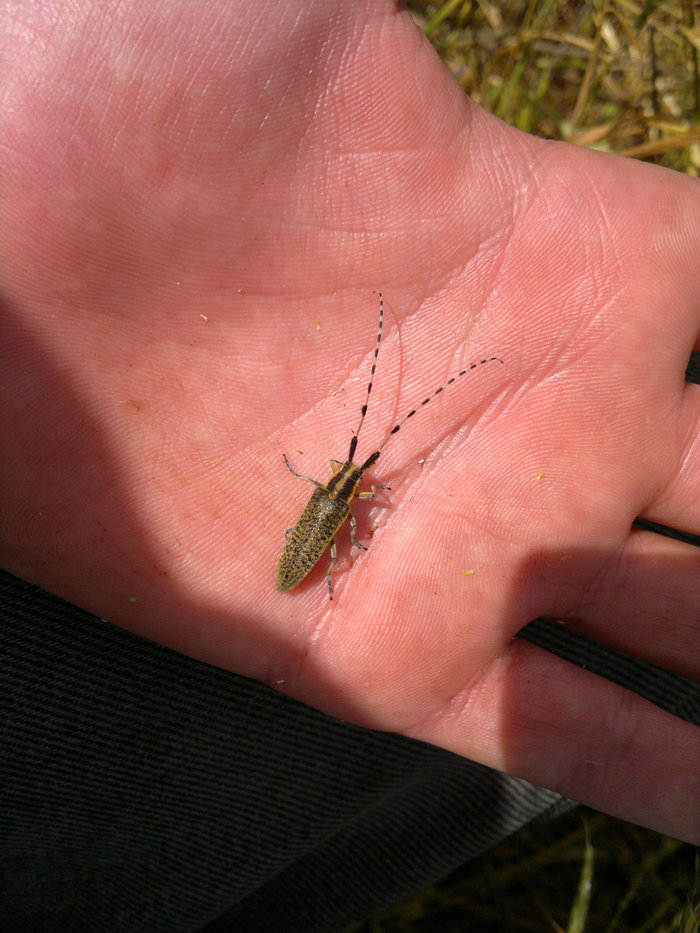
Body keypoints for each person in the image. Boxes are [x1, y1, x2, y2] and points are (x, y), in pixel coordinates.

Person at [1, 1, 698, 928]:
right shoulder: (339, 503)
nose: (351, 477)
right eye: (347, 476)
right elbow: (339, 511)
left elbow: (335, 501)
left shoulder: (335, 496)